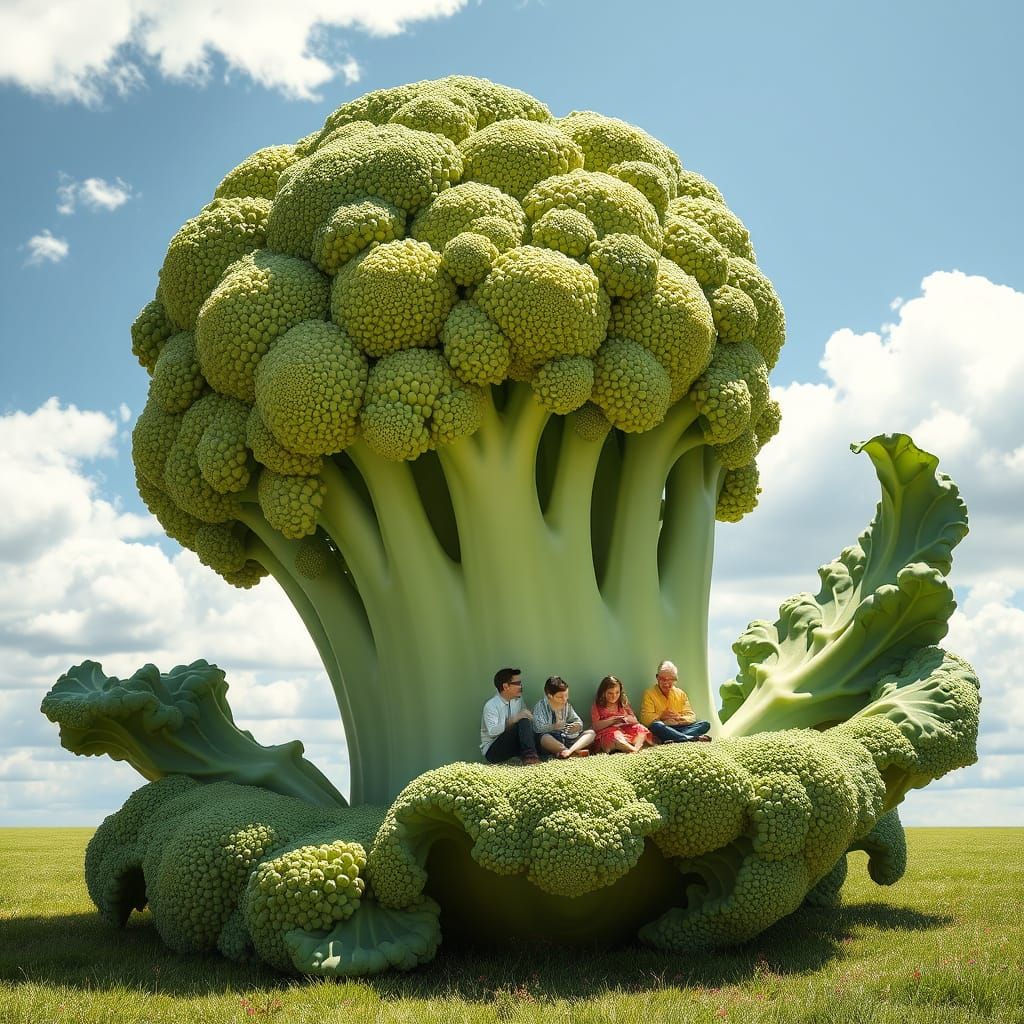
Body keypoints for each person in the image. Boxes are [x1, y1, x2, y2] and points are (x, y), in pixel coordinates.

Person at [639, 660, 712, 743]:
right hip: (663, 728)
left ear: (675, 680)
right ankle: (689, 738)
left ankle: (676, 738)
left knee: (705, 724)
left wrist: (679, 719)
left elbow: (691, 716)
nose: (666, 684)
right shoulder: (649, 693)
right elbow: (645, 718)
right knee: (656, 726)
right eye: (663, 679)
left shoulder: (681, 694)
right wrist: (661, 717)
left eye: (670, 680)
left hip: (680, 726)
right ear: (657, 677)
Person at [480, 667, 540, 765]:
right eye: (517, 683)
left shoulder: (517, 700)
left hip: (512, 745)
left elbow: (523, 726)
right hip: (493, 751)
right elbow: (492, 732)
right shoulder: (491, 705)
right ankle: (531, 758)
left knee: (536, 731)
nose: (521, 686)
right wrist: (514, 719)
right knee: (523, 720)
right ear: (505, 686)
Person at [532, 676, 596, 759]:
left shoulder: (567, 705)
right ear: (550, 696)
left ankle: (568, 752)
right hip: (552, 742)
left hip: (568, 738)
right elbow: (537, 728)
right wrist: (554, 726)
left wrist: (576, 726)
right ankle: (570, 752)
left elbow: (578, 721)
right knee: (544, 738)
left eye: (566, 695)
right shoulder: (540, 706)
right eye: (560, 697)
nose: (564, 699)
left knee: (591, 733)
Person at [590, 675, 654, 754]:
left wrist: (625, 718)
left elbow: (635, 720)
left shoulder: (623, 703)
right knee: (615, 736)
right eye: (610, 693)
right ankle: (632, 749)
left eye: (617, 692)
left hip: (625, 729)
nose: (614, 696)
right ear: (603, 693)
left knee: (640, 728)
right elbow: (596, 726)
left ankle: (635, 747)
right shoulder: (597, 705)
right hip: (609, 732)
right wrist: (612, 721)